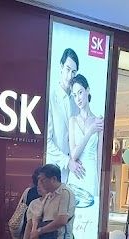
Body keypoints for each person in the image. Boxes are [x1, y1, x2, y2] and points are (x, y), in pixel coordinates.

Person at [65, 74, 103, 209]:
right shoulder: (73, 120)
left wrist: (100, 186)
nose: (78, 98)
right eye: (74, 95)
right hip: (76, 174)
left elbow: (99, 158)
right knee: (72, 214)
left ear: (87, 90)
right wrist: (90, 131)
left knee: (90, 215)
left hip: (91, 173)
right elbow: (74, 154)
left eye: (80, 92)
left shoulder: (99, 121)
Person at [46, 48, 84, 181]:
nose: (70, 76)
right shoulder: (50, 97)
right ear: (61, 67)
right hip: (54, 172)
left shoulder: (76, 101)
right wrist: (67, 161)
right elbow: (47, 141)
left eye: (73, 72)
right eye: (68, 69)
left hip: (75, 172)